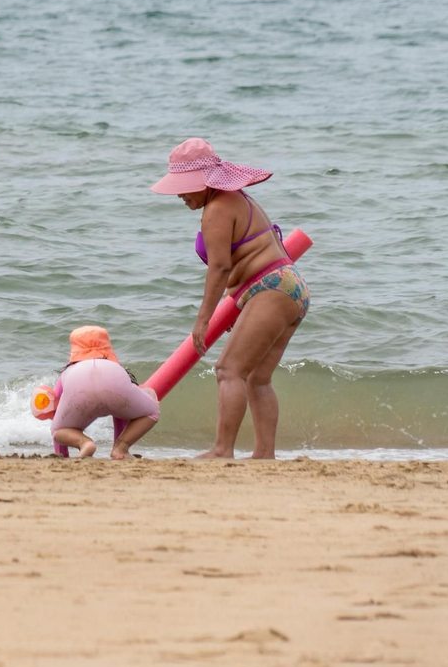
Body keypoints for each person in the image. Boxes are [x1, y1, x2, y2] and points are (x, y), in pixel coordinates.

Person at [151, 138, 310, 460]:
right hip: (288, 287)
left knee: (228, 371)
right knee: (256, 378)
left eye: (184, 187)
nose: (180, 194)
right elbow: (245, 259)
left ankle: (222, 450)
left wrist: (203, 319)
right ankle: (264, 454)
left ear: (205, 183)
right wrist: (237, 307)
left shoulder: (217, 209)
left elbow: (222, 266)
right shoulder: (237, 200)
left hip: (269, 288)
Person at [46, 326, 160, 460]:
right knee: (152, 411)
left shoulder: (69, 372)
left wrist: (62, 455)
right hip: (114, 382)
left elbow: (56, 406)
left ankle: (85, 443)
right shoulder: (115, 367)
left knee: (58, 430)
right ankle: (120, 448)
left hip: (78, 388)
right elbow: (121, 417)